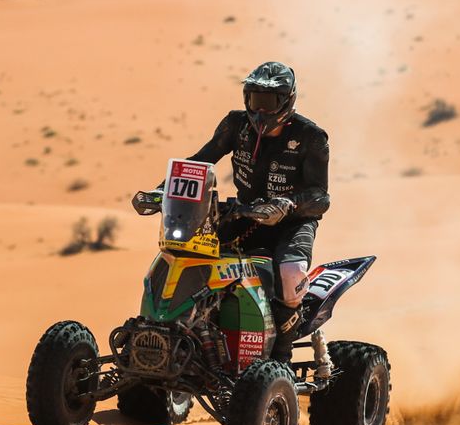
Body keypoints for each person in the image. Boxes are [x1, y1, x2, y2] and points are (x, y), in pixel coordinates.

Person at [133, 61, 330, 360]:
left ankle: (280, 357)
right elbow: (201, 160)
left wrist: (287, 204)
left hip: (292, 223)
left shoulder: (311, 136)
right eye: (254, 100)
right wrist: (163, 190)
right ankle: (179, 332)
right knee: (188, 250)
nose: (260, 110)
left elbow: (320, 197)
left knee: (290, 275)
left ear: (287, 100)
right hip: (245, 214)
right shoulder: (235, 125)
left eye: (269, 101)